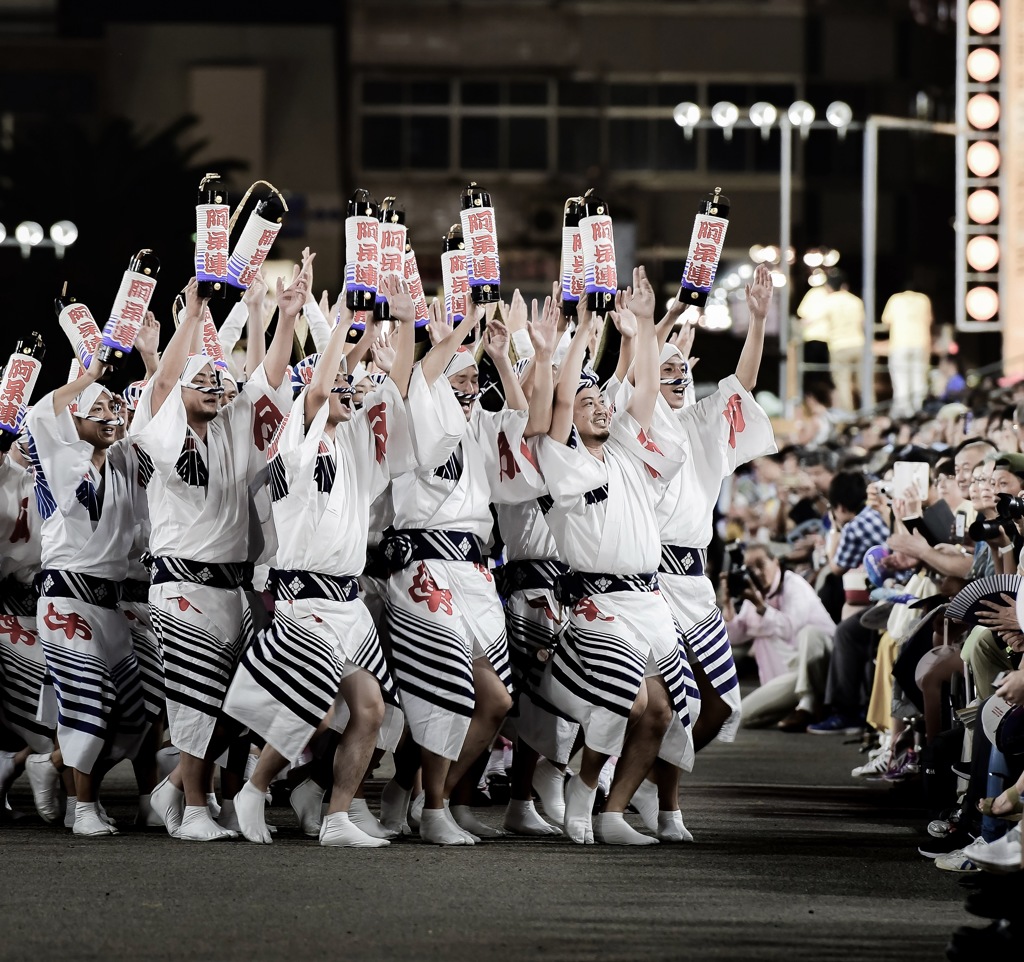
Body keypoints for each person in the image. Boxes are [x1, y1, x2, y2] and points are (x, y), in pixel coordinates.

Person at [223, 276, 416, 847]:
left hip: (348, 601)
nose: (350, 397)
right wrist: (339, 320)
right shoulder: (293, 439)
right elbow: (316, 389)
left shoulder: (354, 444)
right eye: (340, 390)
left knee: (372, 711)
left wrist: (398, 326)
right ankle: (254, 788)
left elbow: (393, 389)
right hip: (303, 597)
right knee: (304, 707)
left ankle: (337, 817)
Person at [131, 266, 302, 842]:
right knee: (196, 700)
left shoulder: (234, 424)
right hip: (182, 585)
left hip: (232, 588)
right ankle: (197, 810)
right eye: (199, 379)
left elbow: (271, 377)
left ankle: (173, 787)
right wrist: (195, 315)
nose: (213, 386)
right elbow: (160, 386)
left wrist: (286, 316)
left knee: (236, 704)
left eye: (219, 380)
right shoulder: (161, 424)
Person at [536, 268, 696, 846]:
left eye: (602, 399)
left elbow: (646, 393)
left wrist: (648, 326)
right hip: (598, 600)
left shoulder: (628, 451)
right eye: (586, 402)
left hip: (649, 597)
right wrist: (580, 331)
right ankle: (582, 789)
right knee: (624, 701)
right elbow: (559, 398)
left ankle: (613, 811)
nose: (600, 407)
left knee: (662, 712)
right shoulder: (559, 460)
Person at [382, 300, 548, 845]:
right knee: (448, 692)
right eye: (462, 368)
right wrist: (448, 335)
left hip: (476, 572)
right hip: (424, 566)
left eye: (473, 372)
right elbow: (417, 377)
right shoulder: (417, 407)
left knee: (496, 701)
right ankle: (429, 807)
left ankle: (429, 801)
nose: (470, 375)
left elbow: (524, 421)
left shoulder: (479, 422)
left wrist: (502, 357)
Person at [24, 364, 149, 836]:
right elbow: (39, 415)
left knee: (132, 718)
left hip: (110, 606)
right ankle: (84, 808)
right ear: (72, 422)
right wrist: (91, 373)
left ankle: (52, 763)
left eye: (111, 407)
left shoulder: (119, 463)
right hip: (66, 598)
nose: (110, 416)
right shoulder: (60, 461)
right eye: (94, 410)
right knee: (89, 705)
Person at [723, 543, 836, 730]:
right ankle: (801, 708)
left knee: (810, 633)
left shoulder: (795, 584)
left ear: (775, 562)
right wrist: (727, 602)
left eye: (761, 564)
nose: (757, 572)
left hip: (822, 668)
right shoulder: (755, 594)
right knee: (741, 717)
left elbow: (790, 629)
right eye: (750, 567)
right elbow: (734, 637)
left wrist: (760, 606)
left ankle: (808, 705)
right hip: (791, 679)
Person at [881, 289, 932, 417]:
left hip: (900, 344)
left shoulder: (895, 299)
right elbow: (929, 320)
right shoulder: (923, 299)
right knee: (919, 381)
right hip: (920, 344)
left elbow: (886, 321)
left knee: (901, 382)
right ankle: (918, 412)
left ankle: (904, 415)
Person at [822, 281, 865, 412]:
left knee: (843, 385)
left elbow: (815, 319)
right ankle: (870, 414)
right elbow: (863, 323)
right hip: (859, 344)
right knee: (864, 383)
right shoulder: (856, 301)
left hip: (839, 346)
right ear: (845, 285)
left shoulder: (830, 300)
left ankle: (848, 416)